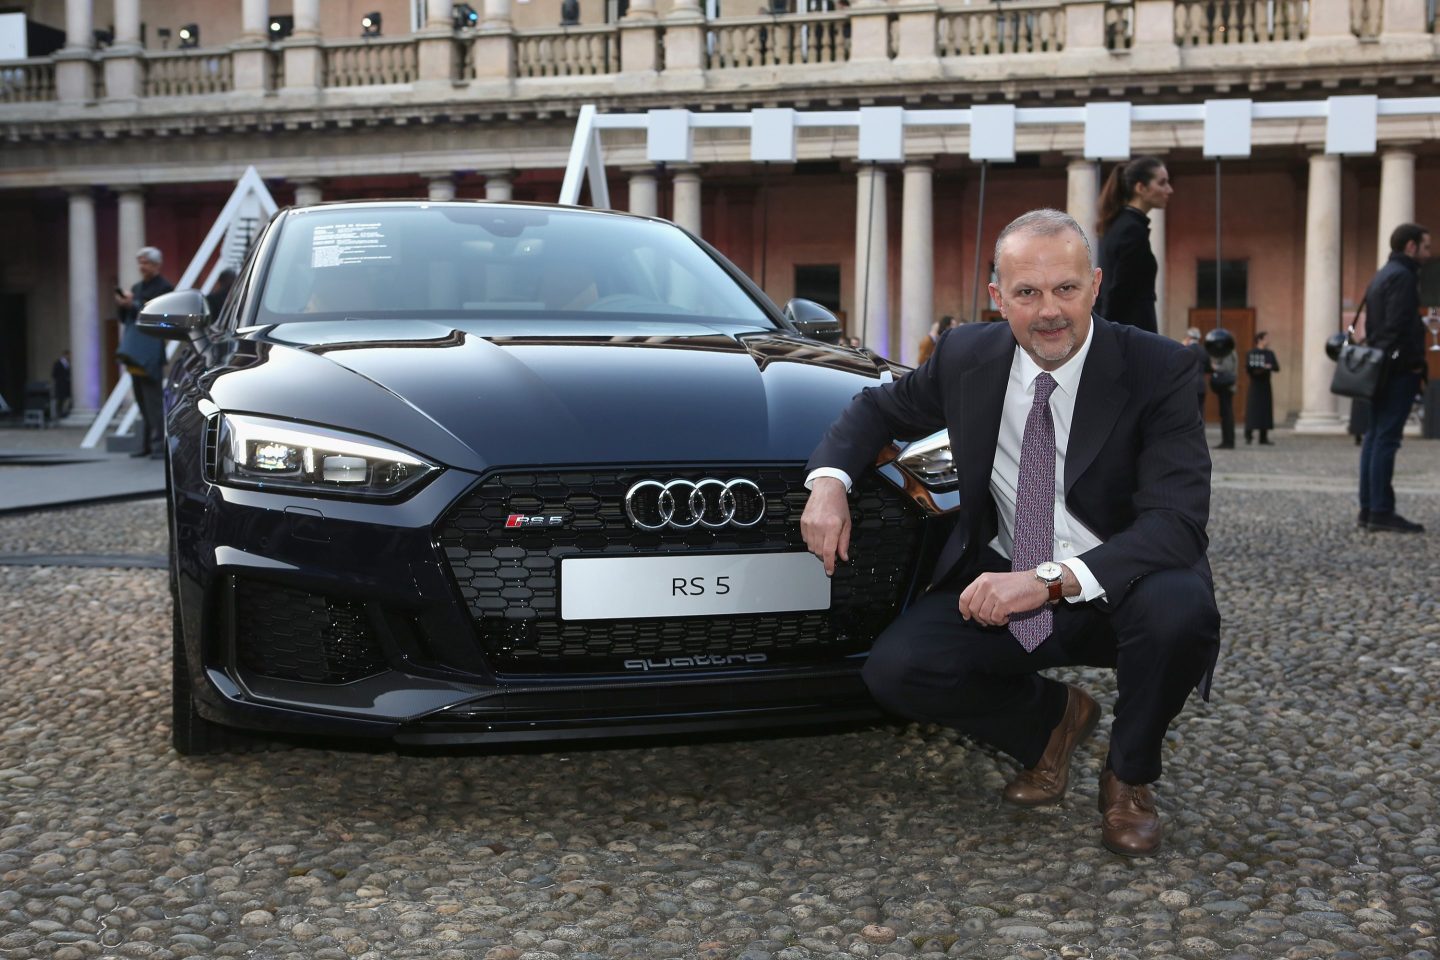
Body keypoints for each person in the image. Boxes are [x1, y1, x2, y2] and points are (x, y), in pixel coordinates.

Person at [801, 209, 1219, 857]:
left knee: (1181, 612)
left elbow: (1177, 525)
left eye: (1066, 289)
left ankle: (1129, 777)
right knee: (896, 670)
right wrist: (828, 481)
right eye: (1027, 292)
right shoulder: (968, 355)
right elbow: (875, 407)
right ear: (999, 299)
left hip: (1120, 580)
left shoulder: (1160, 370)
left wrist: (1049, 580)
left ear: (1096, 285)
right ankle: (1051, 726)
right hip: (1003, 568)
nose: (1049, 311)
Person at [1359, 222, 1431, 534]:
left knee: (1375, 438)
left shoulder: (1383, 274)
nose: (1429, 253)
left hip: (1380, 369)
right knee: (1386, 439)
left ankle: (1368, 508)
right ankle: (1381, 511)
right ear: (1411, 246)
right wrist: (1409, 362)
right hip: (1396, 371)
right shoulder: (1403, 276)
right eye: (1426, 246)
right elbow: (1396, 327)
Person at [1095, 156, 1173, 334]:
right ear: (1140, 188)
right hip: (1132, 335)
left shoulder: (1120, 225)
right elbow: (1119, 291)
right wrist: (1105, 336)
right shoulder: (1131, 229)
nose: (1169, 189)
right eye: (1162, 183)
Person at [114, 246, 174, 459]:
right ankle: (147, 443)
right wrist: (124, 305)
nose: (142, 266)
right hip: (136, 352)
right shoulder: (137, 287)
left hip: (150, 351)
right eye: (140, 262)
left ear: (157, 265)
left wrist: (135, 304)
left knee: (153, 400)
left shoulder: (164, 287)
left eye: (145, 262)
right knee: (141, 399)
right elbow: (125, 318)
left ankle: (159, 444)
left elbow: (160, 316)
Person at [1243, 331, 1278, 445]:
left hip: (1266, 385)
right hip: (1255, 384)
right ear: (1260, 340)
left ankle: (1263, 437)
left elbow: (1276, 367)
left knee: (1265, 411)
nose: (1268, 340)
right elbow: (1248, 367)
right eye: (1266, 338)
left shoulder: (1270, 353)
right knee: (1253, 409)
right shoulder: (1251, 353)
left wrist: (1269, 366)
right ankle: (1248, 435)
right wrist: (1261, 367)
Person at [1209, 346, 1236, 449]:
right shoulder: (1229, 351)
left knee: (1227, 414)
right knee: (1225, 414)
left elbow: (1227, 367)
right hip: (1226, 387)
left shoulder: (1228, 352)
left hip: (1226, 386)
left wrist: (1214, 366)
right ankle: (1227, 440)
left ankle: (1228, 441)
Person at [1182, 327, 1208, 420]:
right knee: (1200, 412)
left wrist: (1182, 346)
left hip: (1188, 384)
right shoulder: (1204, 350)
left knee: (1188, 413)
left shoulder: (1185, 349)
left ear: (1189, 337)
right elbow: (1209, 368)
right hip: (1201, 385)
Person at [51, 350, 73, 420]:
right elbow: (54, 374)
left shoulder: (68, 364)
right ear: (65, 355)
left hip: (67, 385)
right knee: (60, 400)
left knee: (68, 399)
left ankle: (65, 413)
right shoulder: (58, 363)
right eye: (69, 355)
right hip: (60, 385)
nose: (70, 357)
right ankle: (59, 414)